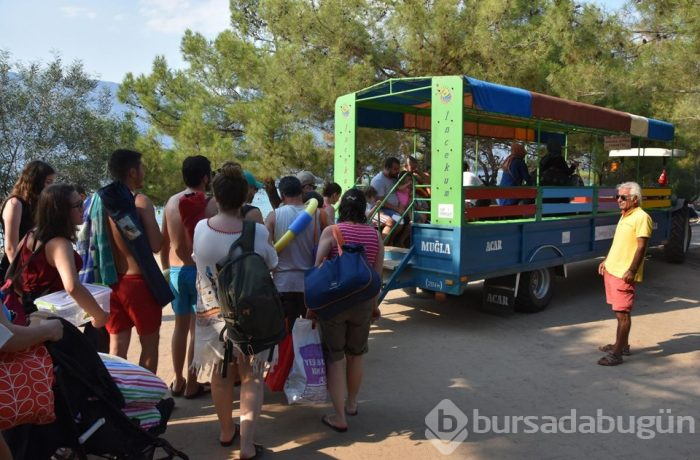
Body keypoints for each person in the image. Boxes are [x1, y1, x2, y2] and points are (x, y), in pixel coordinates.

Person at [192, 162, 277, 458]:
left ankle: (226, 431)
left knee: (221, 374)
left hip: (212, 314)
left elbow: (199, 264)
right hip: (249, 315)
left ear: (215, 195)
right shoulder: (257, 232)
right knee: (252, 375)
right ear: (245, 198)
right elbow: (271, 264)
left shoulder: (201, 228)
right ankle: (247, 445)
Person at [312, 188, 384, 432]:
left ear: (342, 208)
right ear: (363, 209)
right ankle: (352, 404)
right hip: (363, 303)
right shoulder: (375, 235)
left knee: (335, 358)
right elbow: (377, 275)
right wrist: (374, 307)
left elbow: (318, 265)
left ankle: (339, 416)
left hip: (335, 303)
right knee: (356, 354)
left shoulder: (332, 231)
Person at [100, 149, 170, 373]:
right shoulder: (140, 202)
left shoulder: (101, 203)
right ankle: (146, 401)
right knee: (149, 345)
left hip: (112, 282)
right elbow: (156, 244)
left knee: (117, 347)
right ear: (132, 172)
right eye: (142, 167)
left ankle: (116, 400)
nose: (144, 172)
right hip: (137, 282)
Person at [5, 184, 109, 329]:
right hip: (51, 320)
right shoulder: (60, 244)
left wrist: (28, 299)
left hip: (30, 316)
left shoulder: (30, 235)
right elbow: (72, 287)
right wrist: (99, 315)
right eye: (78, 205)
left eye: (82, 202)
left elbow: (15, 275)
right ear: (61, 211)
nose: (83, 208)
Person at [160, 155, 214, 399]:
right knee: (197, 330)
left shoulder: (171, 202)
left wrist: (165, 268)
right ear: (205, 177)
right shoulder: (209, 203)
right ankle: (193, 382)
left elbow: (164, 241)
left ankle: (178, 380)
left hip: (175, 271)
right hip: (198, 271)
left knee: (179, 328)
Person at [597, 182, 652, 366]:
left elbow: (641, 246)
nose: (618, 200)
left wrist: (632, 270)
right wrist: (607, 260)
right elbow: (618, 243)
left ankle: (617, 354)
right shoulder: (625, 215)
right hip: (613, 269)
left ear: (635, 199)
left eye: (623, 197)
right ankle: (622, 345)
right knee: (618, 312)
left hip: (623, 274)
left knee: (623, 314)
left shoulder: (641, 217)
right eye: (617, 197)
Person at [265, 176, 321, 333]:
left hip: (282, 284)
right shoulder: (315, 215)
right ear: (302, 191)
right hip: (307, 284)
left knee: (283, 336)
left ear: (282, 195)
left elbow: (268, 252)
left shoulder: (273, 215)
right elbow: (318, 249)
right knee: (307, 335)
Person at [1, 161, 56, 281]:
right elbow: (11, 247)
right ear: (35, 181)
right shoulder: (15, 204)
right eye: (48, 182)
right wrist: (22, 279)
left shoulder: (38, 206)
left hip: (34, 271)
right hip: (16, 274)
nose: (51, 187)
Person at [370, 157, 404, 245]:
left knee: (401, 221)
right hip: (379, 211)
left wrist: (400, 205)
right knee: (390, 221)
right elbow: (379, 201)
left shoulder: (393, 178)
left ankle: (390, 242)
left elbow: (398, 193)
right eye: (395, 169)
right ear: (387, 168)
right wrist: (397, 209)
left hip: (392, 210)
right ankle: (381, 246)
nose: (397, 171)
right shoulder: (379, 181)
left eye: (398, 169)